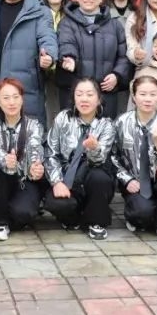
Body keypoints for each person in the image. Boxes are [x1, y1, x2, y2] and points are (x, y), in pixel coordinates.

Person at [44, 78, 117, 240]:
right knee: (57, 204)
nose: (84, 99)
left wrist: (94, 148)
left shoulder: (106, 125)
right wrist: (56, 182)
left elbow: (99, 160)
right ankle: (73, 218)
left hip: (92, 177)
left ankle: (96, 222)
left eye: (90, 95)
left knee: (100, 177)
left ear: (99, 99)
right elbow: (50, 152)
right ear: (73, 98)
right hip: (66, 177)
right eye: (79, 94)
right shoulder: (63, 118)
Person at [112, 76, 157, 239]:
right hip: (133, 182)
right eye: (142, 94)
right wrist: (126, 179)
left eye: (152, 94)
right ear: (134, 97)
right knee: (142, 213)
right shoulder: (121, 122)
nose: (148, 99)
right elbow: (112, 156)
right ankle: (137, 215)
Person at [57, 0, 131, 117]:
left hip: (106, 93)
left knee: (105, 129)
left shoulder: (115, 25)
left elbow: (123, 56)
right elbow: (66, 44)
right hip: (76, 93)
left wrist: (117, 75)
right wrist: (70, 59)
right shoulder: (66, 23)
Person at [0, 78, 46, 241]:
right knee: (2, 170)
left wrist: (35, 166)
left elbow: (35, 148)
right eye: (6, 98)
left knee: (24, 214)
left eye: (15, 97)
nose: (11, 102)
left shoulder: (34, 125)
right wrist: (6, 159)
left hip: (25, 179)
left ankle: (4, 210)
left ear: (22, 99)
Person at [40, 0, 71, 122]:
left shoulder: (71, 13)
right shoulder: (38, 12)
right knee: (47, 110)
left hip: (65, 69)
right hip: (43, 69)